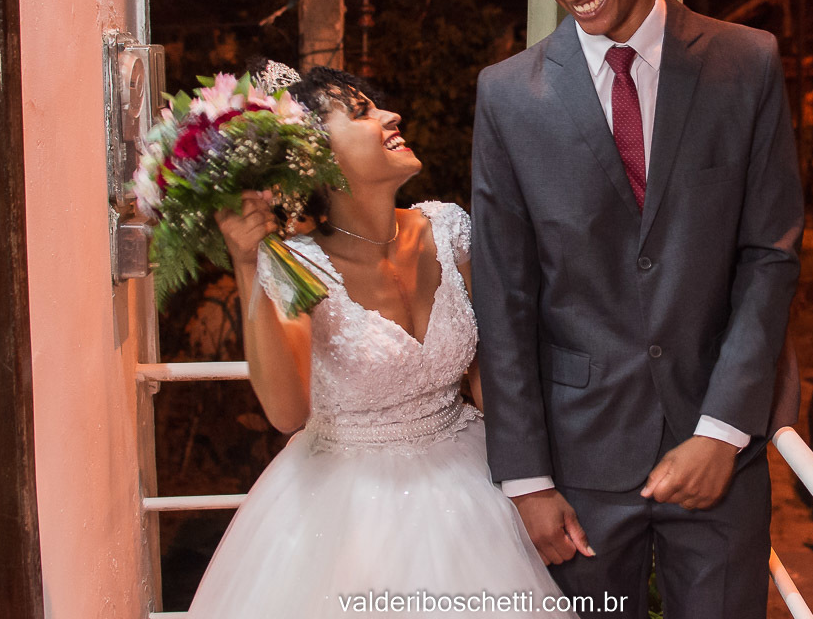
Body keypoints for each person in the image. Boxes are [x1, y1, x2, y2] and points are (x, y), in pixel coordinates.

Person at [471, 0, 804, 619]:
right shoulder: (507, 97)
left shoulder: (747, 63)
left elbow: (770, 256)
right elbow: (504, 294)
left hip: (720, 448)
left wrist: (722, 431)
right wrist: (525, 480)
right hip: (576, 465)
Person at [187, 66, 577, 618]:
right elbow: (286, 412)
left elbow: (492, 380)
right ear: (316, 157)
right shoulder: (295, 264)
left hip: (470, 485)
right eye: (363, 113)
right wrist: (249, 265)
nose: (392, 116)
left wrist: (533, 483)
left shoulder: (448, 229)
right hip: (345, 509)